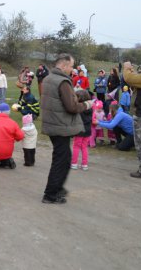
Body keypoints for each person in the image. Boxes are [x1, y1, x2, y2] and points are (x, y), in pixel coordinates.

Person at [40, 53, 94, 204]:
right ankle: (51, 193)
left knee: (63, 158)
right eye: (71, 66)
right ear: (63, 66)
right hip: (60, 126)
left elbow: (57, 101)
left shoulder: (48, 78)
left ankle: (57, 188)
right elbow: (71, 107)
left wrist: (72, 96)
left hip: (53, 124)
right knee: (61, 160)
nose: (73, 70)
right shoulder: (63, 81)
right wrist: (87, 104)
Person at [71, 89, 93, 171]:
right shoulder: (90, 107)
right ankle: (84, 164)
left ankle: (74, 163)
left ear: (80, 98)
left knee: (76, 146)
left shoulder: (79, 108)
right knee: (84, 147)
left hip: (80, 130)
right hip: (87, 130)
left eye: (76, 96)